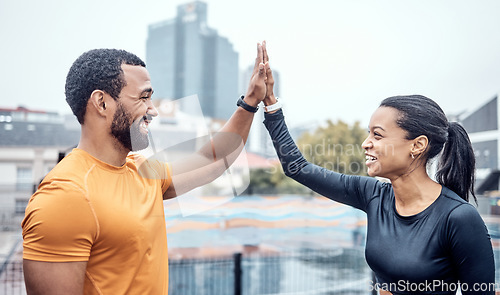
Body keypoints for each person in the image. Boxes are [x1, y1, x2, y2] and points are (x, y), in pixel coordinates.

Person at [22, 42, 270, 294]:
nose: (153, 110)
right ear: (101, 103)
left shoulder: (142, 171)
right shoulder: (65, 197)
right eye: (143, 97)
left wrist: (250, 101)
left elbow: (212, 160)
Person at [261, 48, 495, 293]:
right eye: (368, 133)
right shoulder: (374, 195)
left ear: (417, 145)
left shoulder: (458, 218)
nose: (366, 143)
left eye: (377, 135)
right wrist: (270, 105)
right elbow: (298, 168)